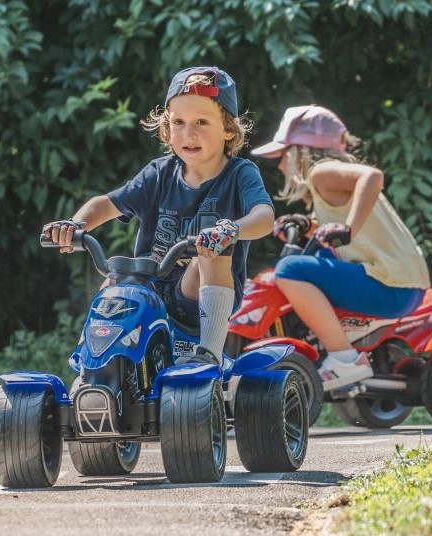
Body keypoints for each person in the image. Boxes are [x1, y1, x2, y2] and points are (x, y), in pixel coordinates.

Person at [42, 66, 275, 365]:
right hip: (149, 288)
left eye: (202, 122)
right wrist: (75, 225)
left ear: (228, 129)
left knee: (211, 251)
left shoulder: (240, 174)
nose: (188, 133)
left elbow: (264, 217)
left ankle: (208, 357)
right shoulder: (159, 173)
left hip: (195, 296)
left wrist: (230, 229)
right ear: (167, 126)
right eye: (178, 122)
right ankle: (91, 364)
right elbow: (107, 203)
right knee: (115, 281)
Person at [250, 105, 430, 390]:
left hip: (390, 284)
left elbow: (372, 176)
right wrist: (309, 224)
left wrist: (348, 230)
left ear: (301, 151)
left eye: (283, 155)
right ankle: (332, 346)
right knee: (313, 256)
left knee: (289, 269)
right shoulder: (326, 182)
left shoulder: (320, 172)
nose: (281, 165)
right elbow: (348, 224)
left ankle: (345, 358)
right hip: (400, 283)